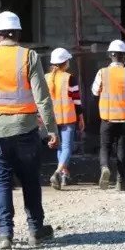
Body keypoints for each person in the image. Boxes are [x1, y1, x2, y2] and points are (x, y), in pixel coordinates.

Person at [0, 11, 57, 250]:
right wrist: (51, 129)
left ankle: (5, 235)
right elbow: (42, 97)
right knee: (30, 180)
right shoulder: (28, 56)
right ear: (18, 34)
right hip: (24, 128)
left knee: (1, 181)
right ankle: (35, 231)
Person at [91, 40, 125, 192]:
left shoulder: (102, 72)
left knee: (105, 146)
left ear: (110, 56)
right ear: (124, 58)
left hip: (107, 119)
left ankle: (104, 168)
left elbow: (95, 91)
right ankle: (120, 182)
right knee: (122, 150)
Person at [45, 47, 85, 191]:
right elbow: (76, 101)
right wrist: (81, 118)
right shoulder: (69, 78)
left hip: (52, 119)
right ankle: (57, 172)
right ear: (65, 62)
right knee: (67, 147)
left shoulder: (46, 78)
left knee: (60, 147)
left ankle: (63, 175)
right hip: (68, 117)